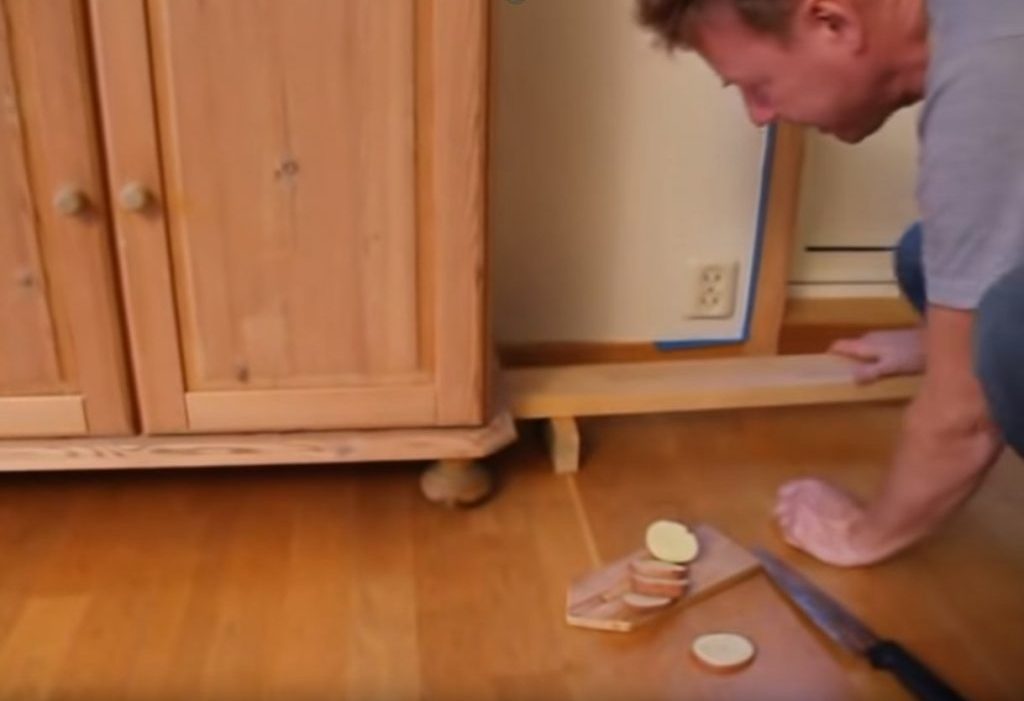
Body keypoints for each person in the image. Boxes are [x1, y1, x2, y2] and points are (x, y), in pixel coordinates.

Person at [636, 0, 1024, 566]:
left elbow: (962, 418)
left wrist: (865, 533)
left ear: (832, 23)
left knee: (1010, 327)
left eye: (759, 86)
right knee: (926, 259)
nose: (759, 115)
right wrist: (940, 344)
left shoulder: (991, 72)